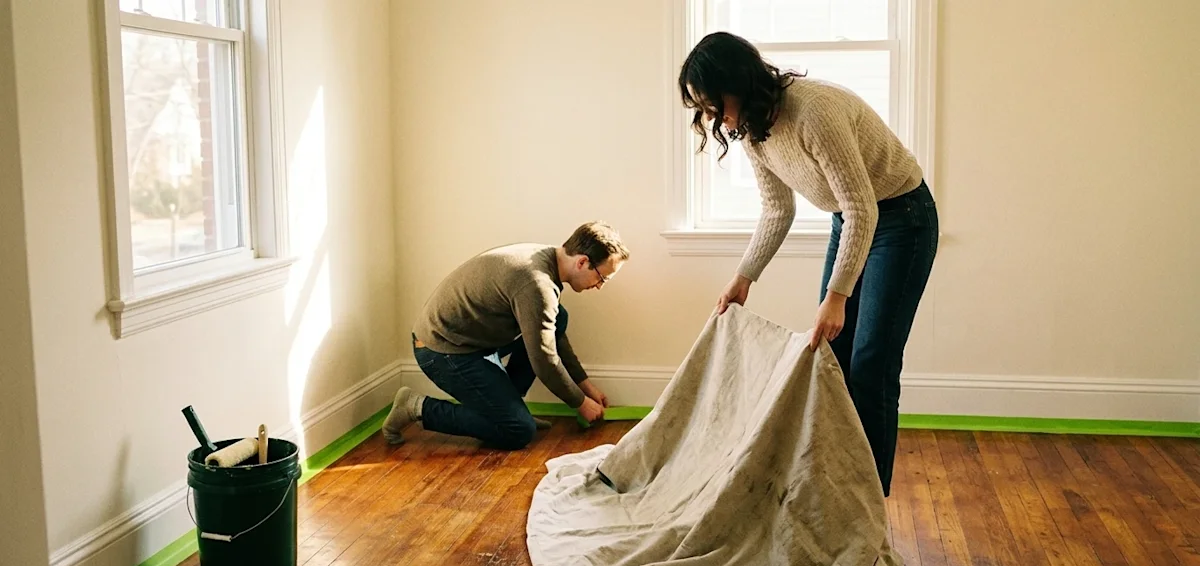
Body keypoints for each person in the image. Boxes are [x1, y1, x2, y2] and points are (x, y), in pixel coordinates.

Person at [678, 32, 939, 497]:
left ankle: (868, 501)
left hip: (902, 219)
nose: (709, 117)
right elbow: (778, 209)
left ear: (736, 83)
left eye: (711, 103)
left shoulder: (813, 112)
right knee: (831, 357)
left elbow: (864, 207)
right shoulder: (752, 131)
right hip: (851, 219)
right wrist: (744, 277)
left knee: (871, 362)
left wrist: (836, 298)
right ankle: (835, 486)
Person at [383, 221, 629, 450]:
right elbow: (544, 360)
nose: (599, 285)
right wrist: (580, 403)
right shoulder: (537, 284)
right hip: (441, 350)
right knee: (518, 430)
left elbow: (551, 335)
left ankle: (510, 407)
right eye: (602, 277)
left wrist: (584, 386)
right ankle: (415, 406)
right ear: (583, 262)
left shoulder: (546, 259)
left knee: (558, 317)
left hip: (468, 341)